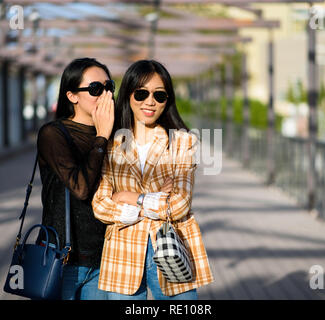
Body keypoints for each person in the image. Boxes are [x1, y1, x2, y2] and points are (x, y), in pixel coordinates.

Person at [92, 59, 214, 300]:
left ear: (167, 100)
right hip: (122, 256)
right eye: (141, 93)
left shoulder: (182, 141)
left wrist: (128, 197)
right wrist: (154, 200)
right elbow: (100, 206)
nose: (150, 101)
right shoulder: (110, 145)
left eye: (159, 95)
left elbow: (179, 205)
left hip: (172, 252)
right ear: (128, 94)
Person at [36, 57, 114, 300]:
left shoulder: (117, 134)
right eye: (95, 89)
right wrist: (101, 137)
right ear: (72, 96)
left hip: (103, 259)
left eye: (109, 87)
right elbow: (80, 188)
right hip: (62, 259)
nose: (105, 95)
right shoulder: (53, 134)